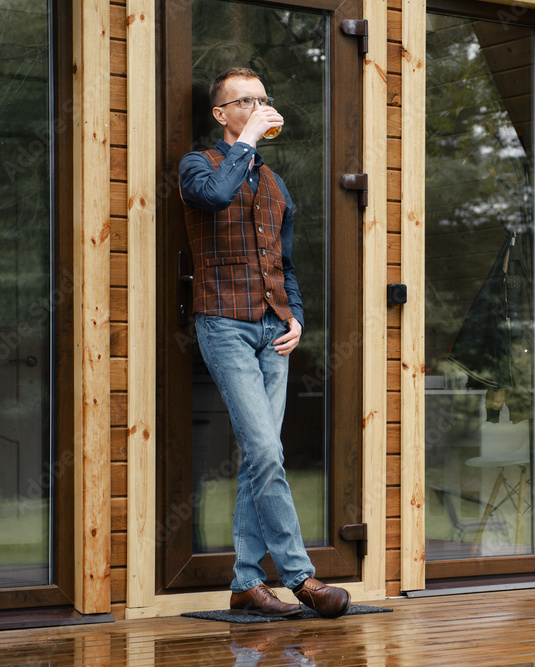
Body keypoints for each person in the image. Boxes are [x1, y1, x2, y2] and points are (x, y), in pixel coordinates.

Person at [178, 67, 350, 619]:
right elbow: (214, 196)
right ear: (220, 114)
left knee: (261, 456)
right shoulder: (197, 167)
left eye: (261, 99)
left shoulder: (275, 183)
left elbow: (287, 262)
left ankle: (246, 583)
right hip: (222, 324)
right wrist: (248, 141)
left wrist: (296, 316)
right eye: (243, 100)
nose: (255, 106)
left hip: (273, 330)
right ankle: (301, 577)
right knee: (268, 451)